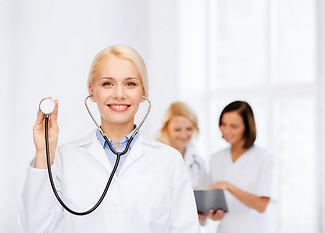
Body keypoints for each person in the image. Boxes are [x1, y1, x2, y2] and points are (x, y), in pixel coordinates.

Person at [18, 45, 200, 233]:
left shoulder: (169, 160)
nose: (119, 94)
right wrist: (43, 153)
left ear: (143, 93)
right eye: (107, 84)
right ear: (92, 92)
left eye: (130, 83)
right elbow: (34, 228)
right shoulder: (65, 158)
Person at [206, 101, 274, 233]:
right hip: (225, 229)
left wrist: (229, 186)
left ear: (247, 127)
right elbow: (214, 202)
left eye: (234, 126)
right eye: (223, 124)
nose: (226, 130)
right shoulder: (215, 158)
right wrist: (214, 214)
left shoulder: (264, 157)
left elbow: (261, 206)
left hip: (254, 228)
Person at [157, 101, 207, 189]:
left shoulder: (198, 162)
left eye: (189, 129)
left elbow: (203, 197)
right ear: (166, 129)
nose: (184, 135)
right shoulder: (155, 157)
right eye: (177, 130)